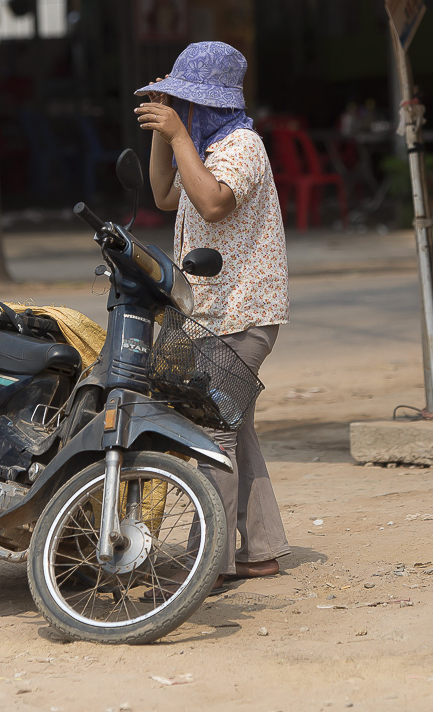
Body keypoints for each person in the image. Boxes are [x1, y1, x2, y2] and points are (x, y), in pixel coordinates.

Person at [133, 41, 290, 588]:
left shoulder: (242, 145)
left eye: (185, 103)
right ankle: (262, 548)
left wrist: (177, 134)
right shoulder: (201, 147)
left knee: (212, 434)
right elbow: (163, 195)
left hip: (242, 313)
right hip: (211, 315)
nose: (180, 112)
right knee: (234, 428)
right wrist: (164, 132)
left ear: (209, 105)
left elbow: (212, 203)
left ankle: (210, 561)